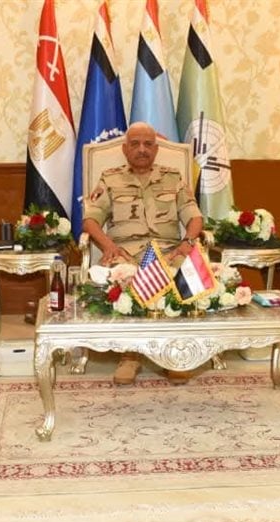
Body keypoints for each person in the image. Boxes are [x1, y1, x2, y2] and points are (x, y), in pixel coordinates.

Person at [83, 121, 204, 385]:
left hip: (168, 250)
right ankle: (130, 355)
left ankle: (175, 353)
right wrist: (108, 246)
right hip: (125, 252)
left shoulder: (173, 178)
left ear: (156, 149)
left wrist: (187, 242)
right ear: (125, 149)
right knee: (124, 276)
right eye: (135, 144)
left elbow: (194, 217)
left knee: (183, 274)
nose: (142, 149)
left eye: (148, 144)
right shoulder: (110, 178)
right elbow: (91, 220)